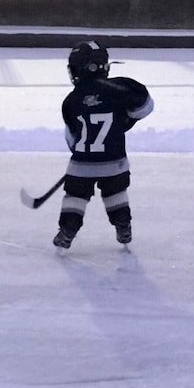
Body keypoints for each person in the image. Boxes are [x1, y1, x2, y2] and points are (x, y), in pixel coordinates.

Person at [54, 40, 154, 249]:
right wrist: (125, 121)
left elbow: (72, 138)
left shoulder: (71, 100)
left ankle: (67, 231)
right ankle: (123, 226)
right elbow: (144, 107)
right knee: (115, 193)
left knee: (76, 196)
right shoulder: (119, 90)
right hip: (115, 162)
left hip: (81, 165)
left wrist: (83, 149)